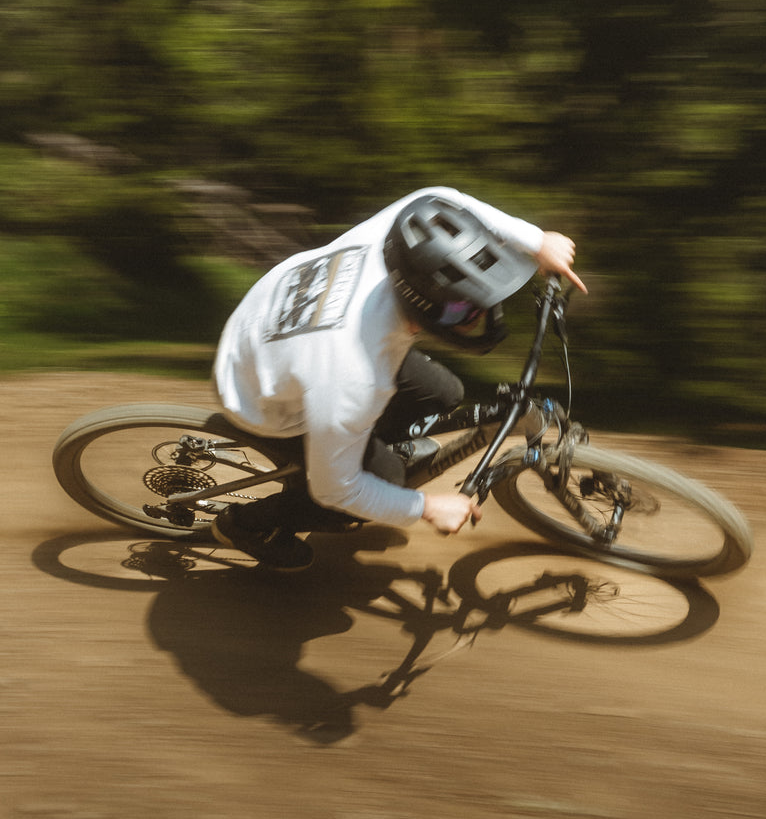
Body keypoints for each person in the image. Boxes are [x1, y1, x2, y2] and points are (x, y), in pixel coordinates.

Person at [212, 187, 586, 569]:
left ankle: (353, 443)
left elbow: (440, 197)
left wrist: (537, 241)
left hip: (275, 328)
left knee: (444, 392)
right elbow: (335, 489)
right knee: (380, 488)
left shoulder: (402, 239)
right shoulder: (355, 375)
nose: (479, 315)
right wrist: (424, 507)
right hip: (258, 393)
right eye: (464, 309)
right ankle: (245, 525)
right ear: (423, 308)